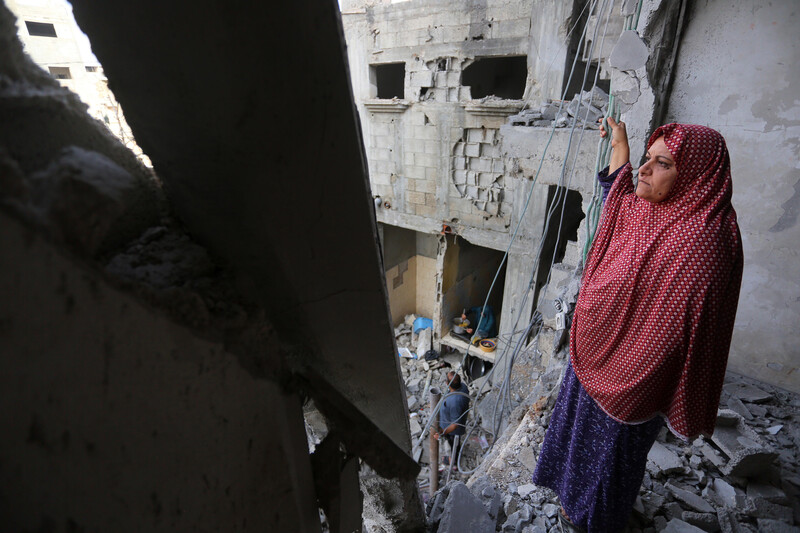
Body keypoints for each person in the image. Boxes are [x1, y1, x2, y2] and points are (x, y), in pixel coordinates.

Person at [531, 117, 744, 533]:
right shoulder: (645, 208)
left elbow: (689, 330)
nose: (645, 170)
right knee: (575, 434)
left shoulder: (707, 239)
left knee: (613, 459)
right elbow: (617, 192)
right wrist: (621, 147)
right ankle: (569, 506)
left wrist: (636, 374)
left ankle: (596, 523)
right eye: (648, 158)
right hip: (592, 351)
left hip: (637, 378)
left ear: (696, 175)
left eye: (662, 163)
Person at [434, 372, 470, 468]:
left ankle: (453, 461)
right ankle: (453, 456)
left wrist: (442, 432)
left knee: (453, 444)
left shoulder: (455, 402)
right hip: (450, 420)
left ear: (447, 383)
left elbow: (455, 424)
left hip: (453, 431)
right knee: (454, 444)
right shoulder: (463, 387)